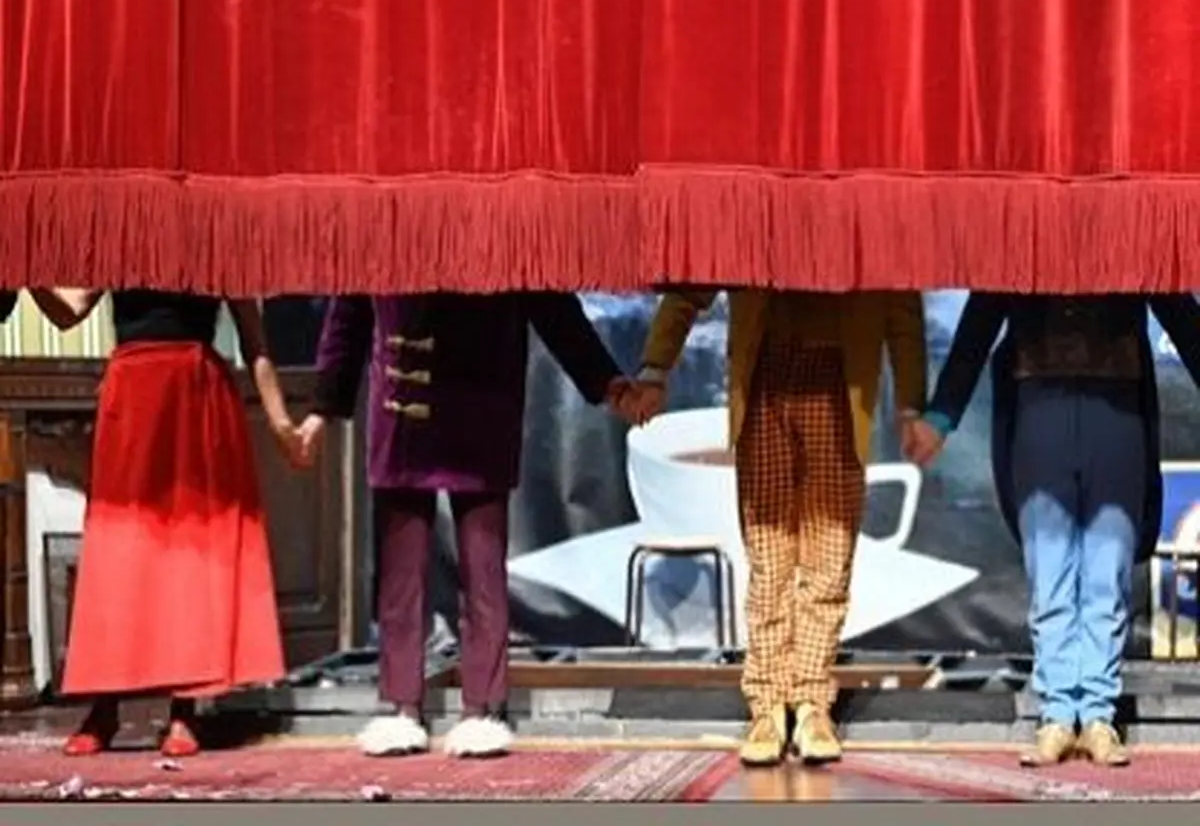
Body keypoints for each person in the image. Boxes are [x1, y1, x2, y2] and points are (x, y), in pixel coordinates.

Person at [298, 291, 635, 760]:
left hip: (481, 402)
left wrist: (605, 381)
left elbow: (552, 305)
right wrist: (324, 404)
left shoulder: (506, 244)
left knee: (483, 569)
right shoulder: (377, 244)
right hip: (402, 411)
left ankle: (483, 707)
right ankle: (401, 705)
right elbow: (349, 311)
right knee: (400, 575)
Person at [621, 288, 927, 767]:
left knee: (829, 556)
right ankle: (767, 704)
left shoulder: (865, 236)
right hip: (765, 377)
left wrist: (911, 404)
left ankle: (810, 702)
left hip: (838, 381)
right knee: (769, 558)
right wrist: (656, 368)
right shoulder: (746, 235)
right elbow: (691, 284)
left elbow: (901, 303)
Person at [905, 293, 1200, 768]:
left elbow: (1178, 310)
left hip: (1116, 409)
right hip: (1039, 407)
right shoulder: (1019, 247)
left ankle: (1098, 713)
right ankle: (1059, 713)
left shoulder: (1131, 244)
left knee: (1108, 565)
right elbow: (981, 317)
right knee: (1050, 564)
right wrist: (942, 415)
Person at [30, 288, 309, 758]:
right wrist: (26, 276)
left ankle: (185, 707)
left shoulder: (218, 248)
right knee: (119, 551)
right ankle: (105, 706)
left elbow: (254, 342)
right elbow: (69, 312)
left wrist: (282, 424)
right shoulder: (120, 246)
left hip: (193, 393)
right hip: (132, 393)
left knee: (188, 551)